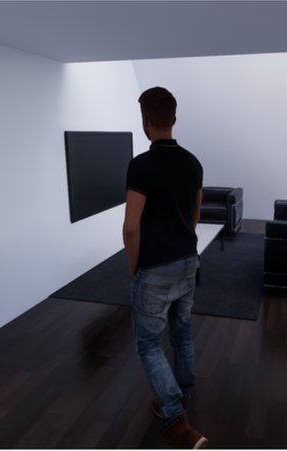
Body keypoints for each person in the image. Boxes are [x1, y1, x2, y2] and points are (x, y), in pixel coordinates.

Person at [123, 86, 207, 449]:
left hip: (155, 268)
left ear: (145, 121)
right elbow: (195, 215)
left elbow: (131, 228)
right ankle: (181, 397)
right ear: (174, 118)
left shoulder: (140, 166)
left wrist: (134, 266)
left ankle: (175, 420)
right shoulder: (193, 163)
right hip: (188, 261)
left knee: (149, 345)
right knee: (182, 334)